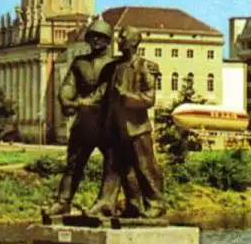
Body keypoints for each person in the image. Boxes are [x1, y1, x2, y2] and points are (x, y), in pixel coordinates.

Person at [89, 26, 165, 218]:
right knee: (115, 168)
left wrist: (126, 97)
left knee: (144, 167)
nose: (119, 40)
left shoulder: (144, 66)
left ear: (133, 41)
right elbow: (103, 95)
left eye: (123, 37)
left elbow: (149, 99)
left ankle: (156, 204)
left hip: (136, 128)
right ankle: (117, 204)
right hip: (115, 127)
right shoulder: (115, 67)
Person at [44, 17, 114, 216]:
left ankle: (108, 203)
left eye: (101, 38)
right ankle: (63, 201)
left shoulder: (114, 66)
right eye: (92, 37)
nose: (96, 41)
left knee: (112, 165)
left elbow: (105, 91)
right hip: (84, 123)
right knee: (74, 164)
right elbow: (68, 85)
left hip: (106, 124)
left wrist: (84, 103)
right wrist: (65, 99)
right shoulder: (79, 63)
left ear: (108, 41)